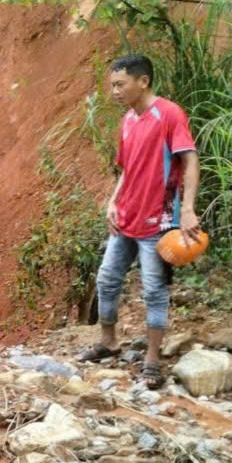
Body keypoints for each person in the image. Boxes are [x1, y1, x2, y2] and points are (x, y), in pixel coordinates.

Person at [79, 54, 200, 388]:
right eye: (112, 85)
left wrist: (187, 209)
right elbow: (126, 170)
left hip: (159, 222)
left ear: (142, 81)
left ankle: (151, 360)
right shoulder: (128, 120)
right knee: (106, 280)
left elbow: (190, 161)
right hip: (126, 218)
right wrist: (113, 202)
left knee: (154, 290)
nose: (114, 91)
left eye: (120, 84)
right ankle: (108, 341)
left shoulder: (169, 114)